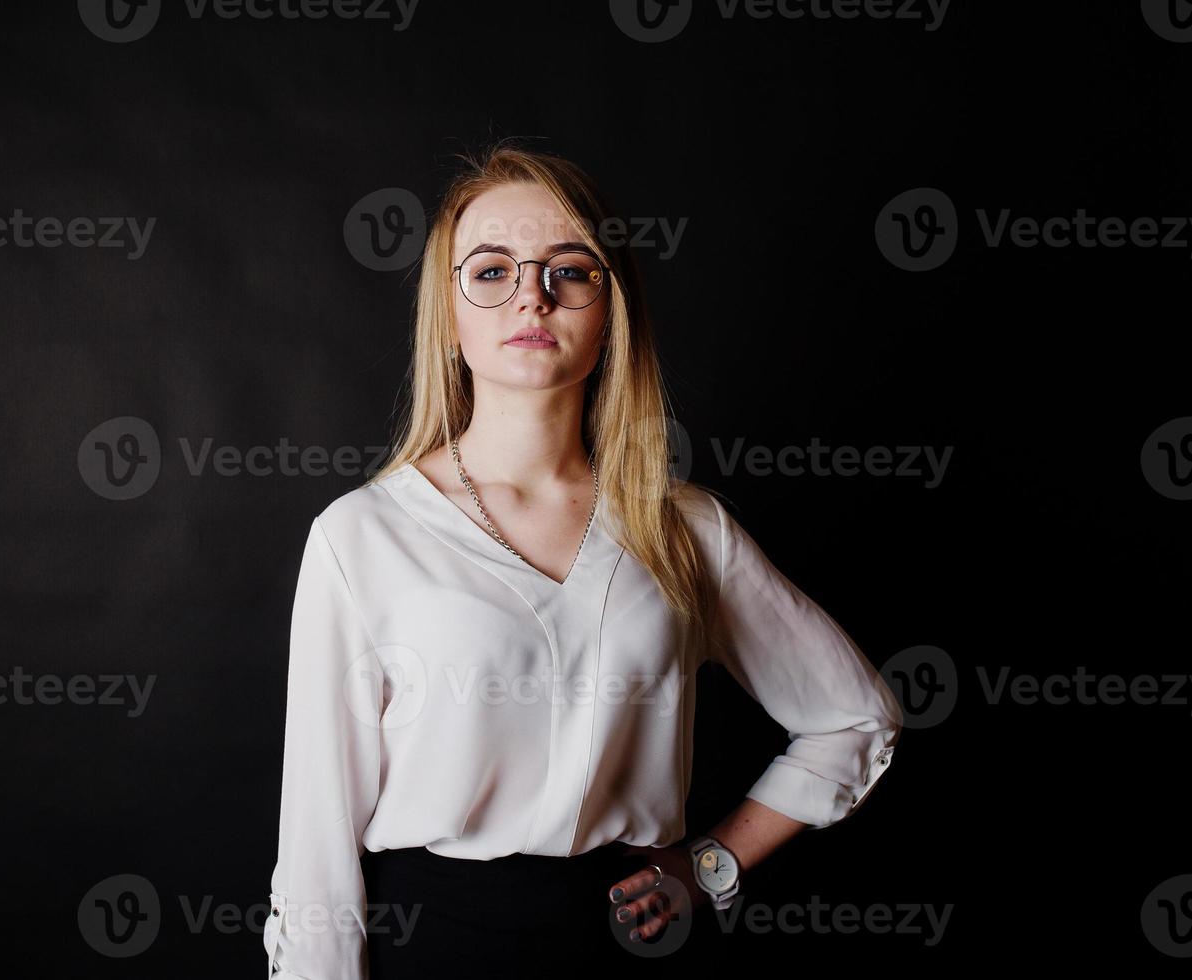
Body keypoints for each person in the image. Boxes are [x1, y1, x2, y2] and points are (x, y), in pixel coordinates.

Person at [262, 140, 904, 979]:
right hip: (433, 948)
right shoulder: (363, 536)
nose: (531, 294)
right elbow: (315, 839)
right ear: (447, 319)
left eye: (570, 270)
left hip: (630, 946)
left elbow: (853, 718)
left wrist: (709, 866)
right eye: (491, 271)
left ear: (610, 313)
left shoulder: (681, 528)